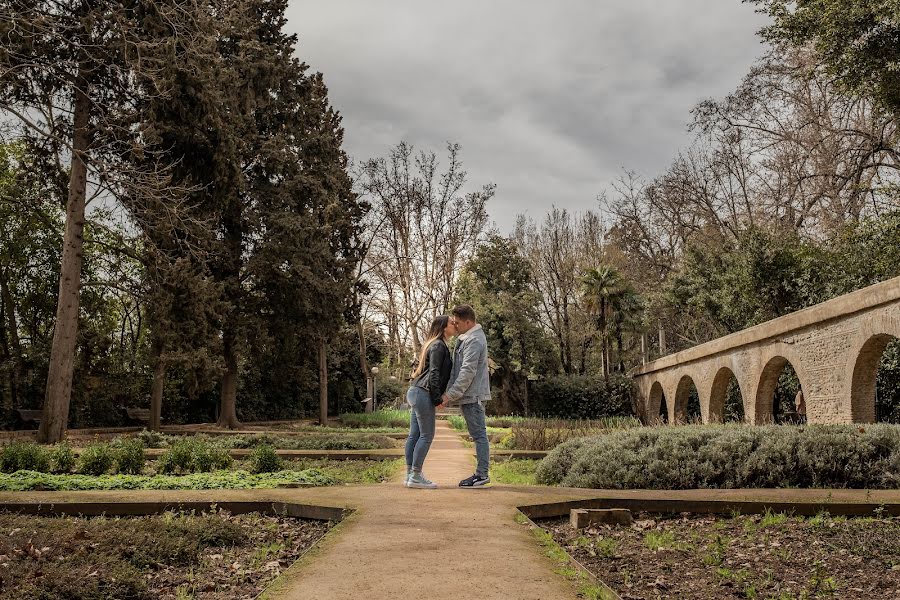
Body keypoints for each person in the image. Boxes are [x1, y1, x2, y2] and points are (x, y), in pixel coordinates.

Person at [441, 304, 491, 487]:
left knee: (479, 435)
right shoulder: (467, 338)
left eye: (458, 322)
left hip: (473, 396)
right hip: (469, 396)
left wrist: (448, 396)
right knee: (477, 434)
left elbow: (467, 372)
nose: (455, 325)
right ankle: (481, 473)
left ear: (468, 322)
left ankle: (482, 474)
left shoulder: (474, 341)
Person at [405, 315, 456, 489]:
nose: (454, 325)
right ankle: (416, 476)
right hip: (423, 393)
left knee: (415, 435)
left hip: (416, 391)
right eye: (451, 323)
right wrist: (437, 399)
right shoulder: (439, 346)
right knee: (426, 435)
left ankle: (410, 475)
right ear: (443, 327)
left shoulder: (434, 344)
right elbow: (434, 373)